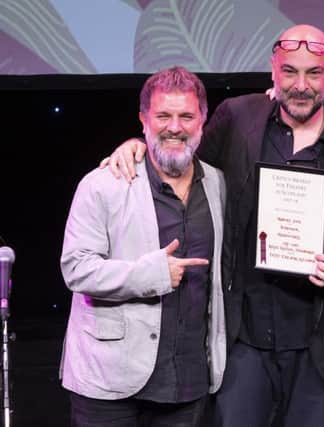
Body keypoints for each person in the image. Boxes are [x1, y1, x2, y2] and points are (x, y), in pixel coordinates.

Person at [104, 25, 324, 427]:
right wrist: (140, 147)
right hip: (242, 334)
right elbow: (184, 162)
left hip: (320, 341)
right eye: (290, 72)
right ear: (273, 71)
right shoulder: (238, 116)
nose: (301, 85)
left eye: (314, 73)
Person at [60, 66, 227, 426]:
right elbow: (76, 268)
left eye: (186, 116)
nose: (174, 127)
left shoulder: (217, 183)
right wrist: (150, 275)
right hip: (109, 381)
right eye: (163, 116)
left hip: (188, 380)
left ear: (203, 119)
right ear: (143, 119)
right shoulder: (103, 184)